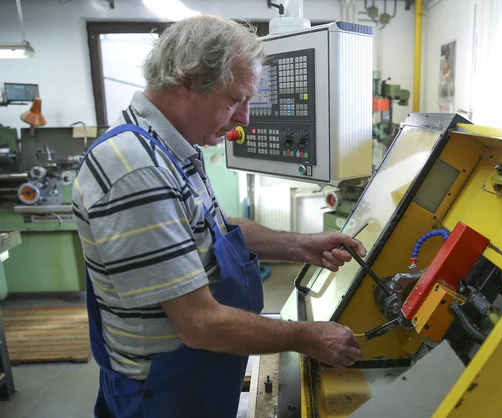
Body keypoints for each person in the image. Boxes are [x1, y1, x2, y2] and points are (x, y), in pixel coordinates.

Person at [72, 14, 365, 418]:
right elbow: (200, 323)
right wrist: (306, 336)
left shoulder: (170, 149)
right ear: (187, 81)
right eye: (234, 100)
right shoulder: (136, 167)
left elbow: (212, 228)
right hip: (161, 394)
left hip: (194, 375)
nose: (245, 117)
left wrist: (302, 245)